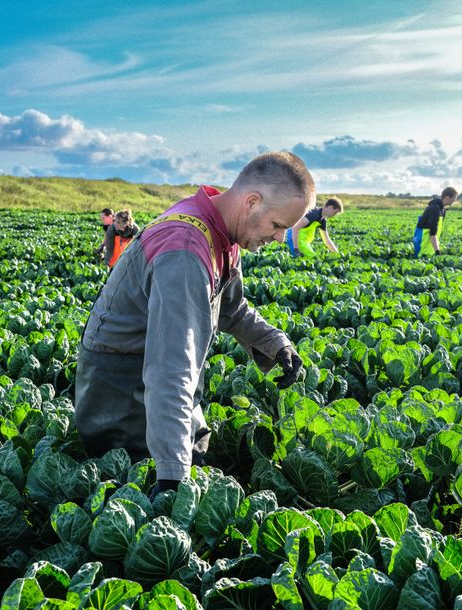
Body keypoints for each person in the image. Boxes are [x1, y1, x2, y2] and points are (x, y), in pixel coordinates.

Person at [74, 151, 313, 494]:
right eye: (277, 226)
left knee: (197, 453)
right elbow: (170, 368)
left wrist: (274, 342)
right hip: (122, 388)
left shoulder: (221, 230)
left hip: (158, 382)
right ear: (252, 201)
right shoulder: (185, 248)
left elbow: (231, 308)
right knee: (139, 490)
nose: (278, 238)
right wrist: (170, 474)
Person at [413, 187, 458, 257]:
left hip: (430, 245)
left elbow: (435, 232)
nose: (455, 200)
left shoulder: (442, 211)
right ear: (447, 197)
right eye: (454, 198)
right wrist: (437, 251)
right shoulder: (434, 209)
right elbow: (432, 233)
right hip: (423, 244)